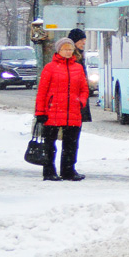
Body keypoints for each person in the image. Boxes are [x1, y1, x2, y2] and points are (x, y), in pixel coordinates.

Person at [34, 36, 89, 181]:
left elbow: (84, 89)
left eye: (70, 49)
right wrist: (40, 112)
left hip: (73, 112)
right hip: (52, 112)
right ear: (59, 50)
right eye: (65, 49)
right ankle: (49, 171)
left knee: (71, 145)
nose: (68, 52)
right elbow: (42, 92)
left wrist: (81, 102)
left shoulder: (78, 68)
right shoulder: (50, 68)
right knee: (49, 145)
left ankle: (68, 170)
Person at [69, 28, 93, 125]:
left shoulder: (79, 56)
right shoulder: (72, 57)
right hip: (74, 100)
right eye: (81, 40)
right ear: (75, 41)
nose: (83, 43)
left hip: (78, 99)